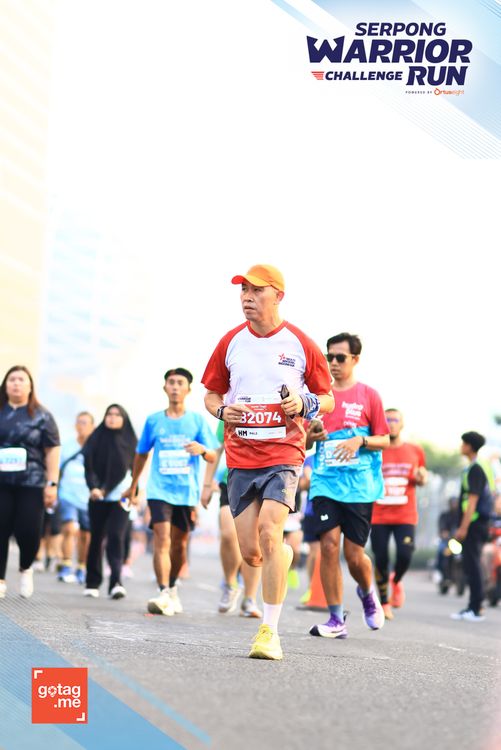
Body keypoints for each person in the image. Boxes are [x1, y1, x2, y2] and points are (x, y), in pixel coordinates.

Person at [202, 264, 334, 660]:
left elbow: (327, 397)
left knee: (270, 531)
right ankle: (280, 556)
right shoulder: (230, 342)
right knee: (253, 553)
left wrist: (304, 403)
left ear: (278, 295)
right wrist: (222, 411)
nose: (247, 296)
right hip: (241, 456)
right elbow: (211, 394)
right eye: (243, 290)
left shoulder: (301, 343)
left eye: (256, 290)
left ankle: (269, 632)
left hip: (284, 453)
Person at [307, 333, 389, 639]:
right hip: (325, 483)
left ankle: (367, 592)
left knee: (354, 556)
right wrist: (311, 436)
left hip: (359, 487)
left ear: (355, 359)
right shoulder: (318, 398)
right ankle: (335, 619)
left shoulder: (369, 395)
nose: (333, 363)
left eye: (340, 357)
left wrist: (360, 440)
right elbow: (303, 442)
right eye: (329, 357)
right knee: (329, 546)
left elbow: (384, 439)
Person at [123, 368, 217, 616]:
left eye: (180, 383)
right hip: (159, 490)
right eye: (171, 382)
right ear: (165, 387)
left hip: (186, 492)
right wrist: (134, 485)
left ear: (188, 389)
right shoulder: (154, 421)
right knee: (162, 539)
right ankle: (163, 591)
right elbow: (141, 454)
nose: (175, 387)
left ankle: (173, 587)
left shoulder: (196, 421)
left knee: (179, 545)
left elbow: (213, 455)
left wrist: (202, 450)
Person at [0, 365, 60, 599]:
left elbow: (52, 450)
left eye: (21, 380)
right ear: (5, 385)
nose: (16, 383)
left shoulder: (42, 416)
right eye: (12, 379)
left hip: (32, 482)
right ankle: (0, 579)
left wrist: (52, 483)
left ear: (30, 386)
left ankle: (26, 567)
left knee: (28, 530)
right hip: (2, 482)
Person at [201, 420, 262, 618]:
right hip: (233, 479)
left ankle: (250, 598)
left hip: (263, 478)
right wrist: (207, 484)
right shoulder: (231, 407)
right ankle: (230, 584)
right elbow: (217, 448)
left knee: (254, 542)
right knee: (228, 535)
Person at [370, 408, 427, 619]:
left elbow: (422, 475)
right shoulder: (375, 449)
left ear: (402, 424)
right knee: (381, 558)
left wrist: (422, 478)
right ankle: (384, 602)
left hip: (405, 515)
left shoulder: (415, 450)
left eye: (395, 420)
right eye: (387, 420)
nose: (391, 423)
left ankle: (396, 580)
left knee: (405, 554)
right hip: (379, 514)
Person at [83, 404, 137, 600]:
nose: (112, 418)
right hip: (97, 496)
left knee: (116, 536)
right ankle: (92, 582)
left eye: (117, 415)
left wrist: (135, 492)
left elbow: (134, 470)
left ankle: (116, 582)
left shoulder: (131, 441)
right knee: (96, 538)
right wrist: (94, 487)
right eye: (109, 414)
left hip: (121, 497)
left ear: (124, 419)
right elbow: (88, 467)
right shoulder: (95, 438)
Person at [450, 431, 494, 622]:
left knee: (472, 564)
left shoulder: (475, 468)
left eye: (463, 443)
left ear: (469, 446)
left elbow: (473, 501)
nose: (461, 446)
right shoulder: (477, 466)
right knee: (471, 564)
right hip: (478, 523)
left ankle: (476, 608)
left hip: (475, 524)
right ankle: (473, 606)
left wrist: (463, 527)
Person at [57, 412, 95, 584]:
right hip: (68, 494)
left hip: (88, 497)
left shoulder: (96, 447)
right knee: (70, 528)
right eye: (79, 422)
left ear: (92, 427)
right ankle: (66, 565)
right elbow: (58, 468)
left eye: (85, 423)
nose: (81, 426)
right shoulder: (67, 445)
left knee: (86, 535)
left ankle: (81, 566)